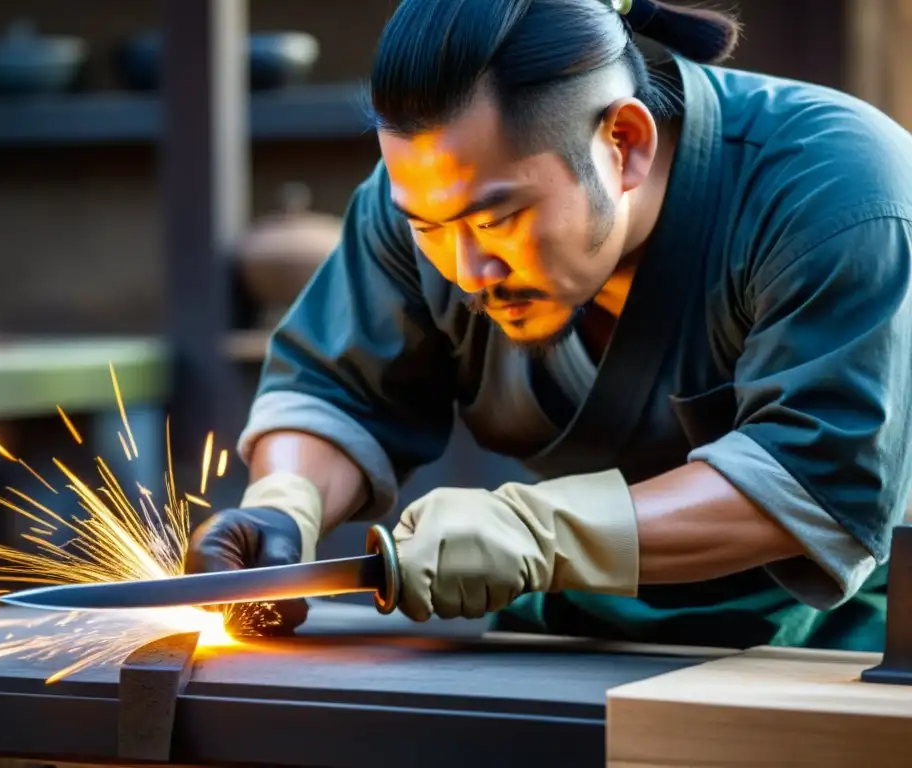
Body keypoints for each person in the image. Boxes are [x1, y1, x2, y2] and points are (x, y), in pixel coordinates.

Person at [185, 0, 912, 651]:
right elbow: (336, 393)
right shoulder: (423, 209)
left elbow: (813, 481)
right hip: (564, 642)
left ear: (624, 143)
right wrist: (285, 506)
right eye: (431, 228)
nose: (469, 270)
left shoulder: (840, 191)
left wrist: (535, 534)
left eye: (499, 219)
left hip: (830, 653)